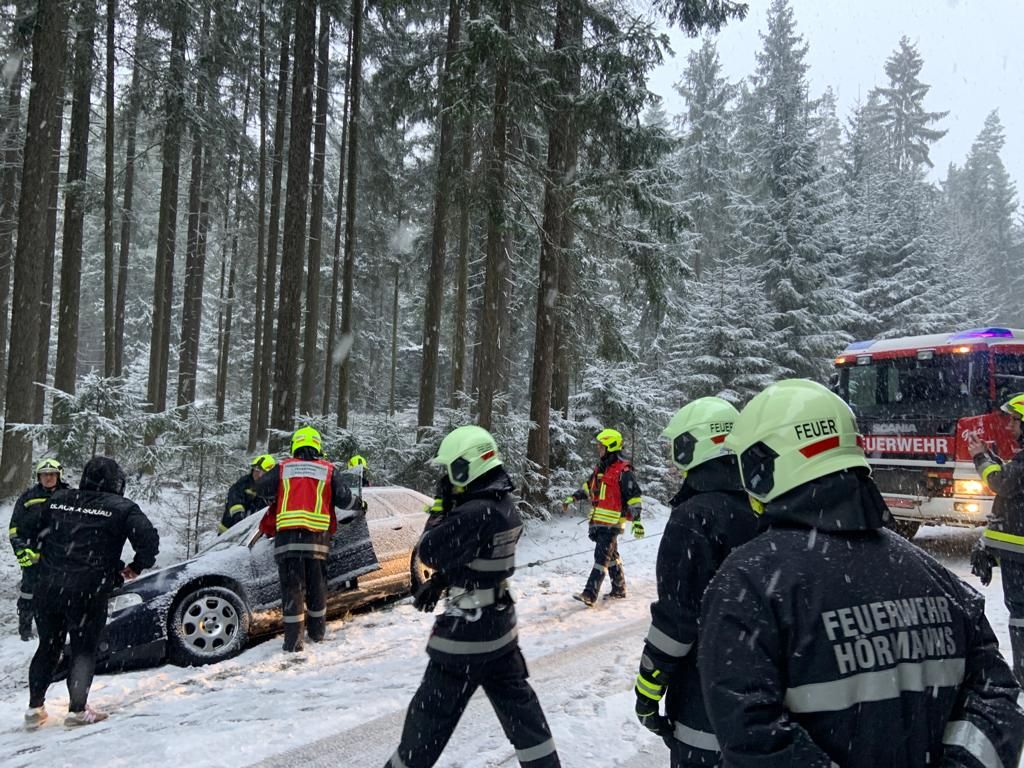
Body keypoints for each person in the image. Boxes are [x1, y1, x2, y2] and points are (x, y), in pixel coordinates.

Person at [698, 379, 1024, 767]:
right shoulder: (934, 576)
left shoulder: (748, 582)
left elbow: (751, 734)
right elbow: (997, 699)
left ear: (761, 468)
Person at [387, 425, 560, 768]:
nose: (447, 478)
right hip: (500, 631)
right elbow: (477, 559)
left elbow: (430, 550)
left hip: (464, 639)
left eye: (449, 470)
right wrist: (442, 583)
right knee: (524, 719)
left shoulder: (473, 512)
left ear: (465, 467)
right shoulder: (502, 503)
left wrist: (440, 507)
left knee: (426, 725)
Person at [634, 398, 760, 767]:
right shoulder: (764, 503)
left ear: (694, 445)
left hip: (705, 702)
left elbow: (676, 620)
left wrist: (647, 688)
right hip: (766, 698)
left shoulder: (693, 518)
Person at [22, 456, 159, 729]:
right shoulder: (122, 508)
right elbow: (148, 540)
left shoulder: (58, 499)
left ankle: (34, 709)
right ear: (116, 482)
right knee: (84, 649)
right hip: (88, 590)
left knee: (48, 646)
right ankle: (77, 711)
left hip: (48, 586)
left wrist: (48, 561)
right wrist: (135, 566)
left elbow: (31, 533)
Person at [255, 426, 367, 652]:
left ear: (295, 445)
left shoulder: (283, 468)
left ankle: (293, 643)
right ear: (317, 446)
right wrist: (360, 505)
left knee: (292, 591)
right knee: (317, 588)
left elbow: (260, 488)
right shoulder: (327, 470)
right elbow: (345, 501)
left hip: (287, 541)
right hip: (317, 541)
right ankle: (317, 634)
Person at [968, 391, 1024, 682]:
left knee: (1020, 613)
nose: (1009, 426)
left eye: (1015, 421)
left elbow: (1001, 482)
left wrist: (980, 458)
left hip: (1020, 560)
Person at [562, 428, 644, 606]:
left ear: (611, 446)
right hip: (598, 522)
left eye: (601, 446)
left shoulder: (624, 470)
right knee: (611, 555)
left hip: (613, 523)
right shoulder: (600, 468)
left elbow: (634, 496)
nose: (599, 449)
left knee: (601, 557)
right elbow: (588, 487)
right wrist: (573, 497)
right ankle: (619, 588)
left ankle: (590, 594)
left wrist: (637, 520)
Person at [8, 458, 69, 641]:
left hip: (62, 557)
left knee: (62, 592)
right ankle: (25, 630)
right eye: (44, 475)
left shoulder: (70, 495)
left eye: (52, 474)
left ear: (59, 476)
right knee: (29, 592)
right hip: (32, 556)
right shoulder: (27, 498)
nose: (48, 478)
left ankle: (60, 629)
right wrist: (20, 550)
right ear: (39, 477)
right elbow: (14, 528)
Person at [219, 453, 276, 532]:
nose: (258, 475)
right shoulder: (244, 483)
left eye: (262, 472)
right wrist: (239, 516)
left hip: (251, 534)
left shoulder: (270, 490)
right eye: (256, 471)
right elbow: (234, 498)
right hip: (229, 531)